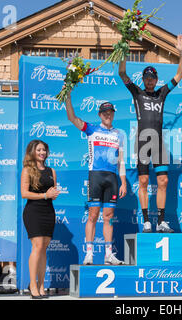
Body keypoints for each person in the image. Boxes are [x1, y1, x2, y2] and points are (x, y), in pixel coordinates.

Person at [118, 34, 182, 233]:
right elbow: (122, 73)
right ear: (143, 80)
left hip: (158, 143)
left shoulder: (161, 93)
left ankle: (161, 221)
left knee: (163, 180)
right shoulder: (137, 92)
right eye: (147, 78)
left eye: (152, 78)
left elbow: (180, 74)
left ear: (156, 80)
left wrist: (181, 53)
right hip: (142, 142)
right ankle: (147, 220)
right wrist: (123, 49)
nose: (149, 81)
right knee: (144, 181)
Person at [65, 92, 127, 265]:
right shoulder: (92, 129)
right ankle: (89, 253)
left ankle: (108, 254)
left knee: (109, 216)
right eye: (105, 112)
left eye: (110, 112)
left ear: (113, 114)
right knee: (93, 215)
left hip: (112, 178)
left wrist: (123, 181)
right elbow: (72, 117)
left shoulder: (118, 134)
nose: (108, 115)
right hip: (96, 176)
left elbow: (121, 160)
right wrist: (68, 97)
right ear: (100, 115)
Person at [21, 140, 59, 298]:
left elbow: (53, 191)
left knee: (44, 248)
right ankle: (33, 285)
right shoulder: (27, 170)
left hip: (48, 212)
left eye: (44, 150)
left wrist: (53, 194)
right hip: (33, 212)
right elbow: (24, 193)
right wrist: (45, 195)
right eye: (39, 150)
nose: (42, 152)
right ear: (32, 152)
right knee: (37, 246)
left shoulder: (52, 170)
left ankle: (42, 286)